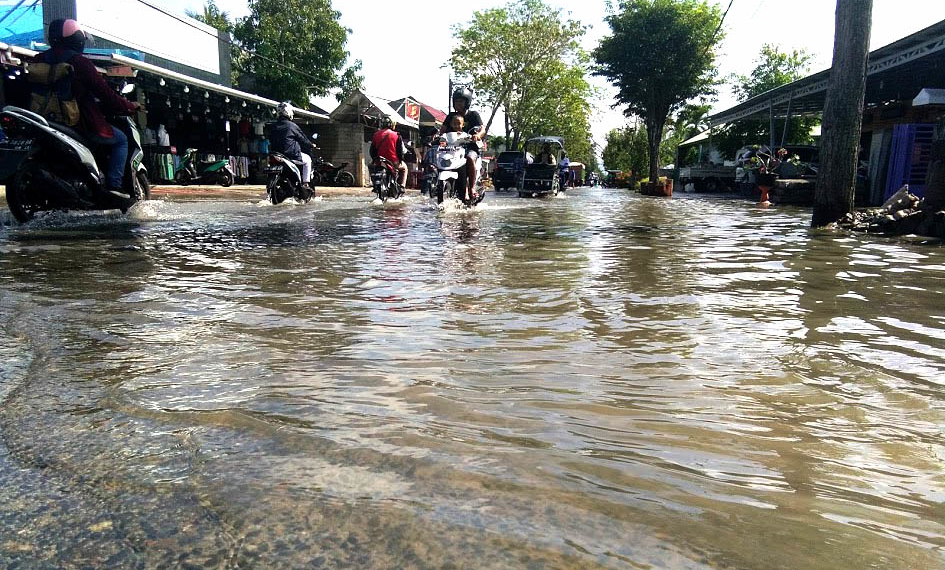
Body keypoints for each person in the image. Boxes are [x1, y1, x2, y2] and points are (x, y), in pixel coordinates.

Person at [32, 19, 139, 198]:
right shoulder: (80, 62)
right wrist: (129, 105)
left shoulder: (39, 59)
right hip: (79, 121)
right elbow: (106, 94)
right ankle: (114, 187)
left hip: (43, 119)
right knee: (121, 140)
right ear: (77, 40)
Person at [440, 86, 485, 202]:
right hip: (454, 148)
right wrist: (438, 137)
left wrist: (478, 135)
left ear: (467, 102)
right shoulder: (451, 116)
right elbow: (443, 130)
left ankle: (472, 188)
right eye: (456, 101)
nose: (458, 103)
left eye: (461, 101)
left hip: (471, 147)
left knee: (469, 158)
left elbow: (482, 129)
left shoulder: (473, 115)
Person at [269, 102, 313, 189]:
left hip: (275, 155)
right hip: (290, 155)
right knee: (308, 160)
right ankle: (305, 183)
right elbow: (303, 139)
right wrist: (311, 145)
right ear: (289, 112)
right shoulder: (292, 126)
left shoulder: (273, 125)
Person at [370, 116, 408, 188]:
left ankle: (374, 184)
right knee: (404, 168)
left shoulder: (376, 134)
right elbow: (401, 150)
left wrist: (374, 160)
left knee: (370, 166)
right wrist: (401, 159)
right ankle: (402, 186)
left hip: (380, 161)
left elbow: (372, 150)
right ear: (392, 124)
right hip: (393, 162)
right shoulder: (397, 135)